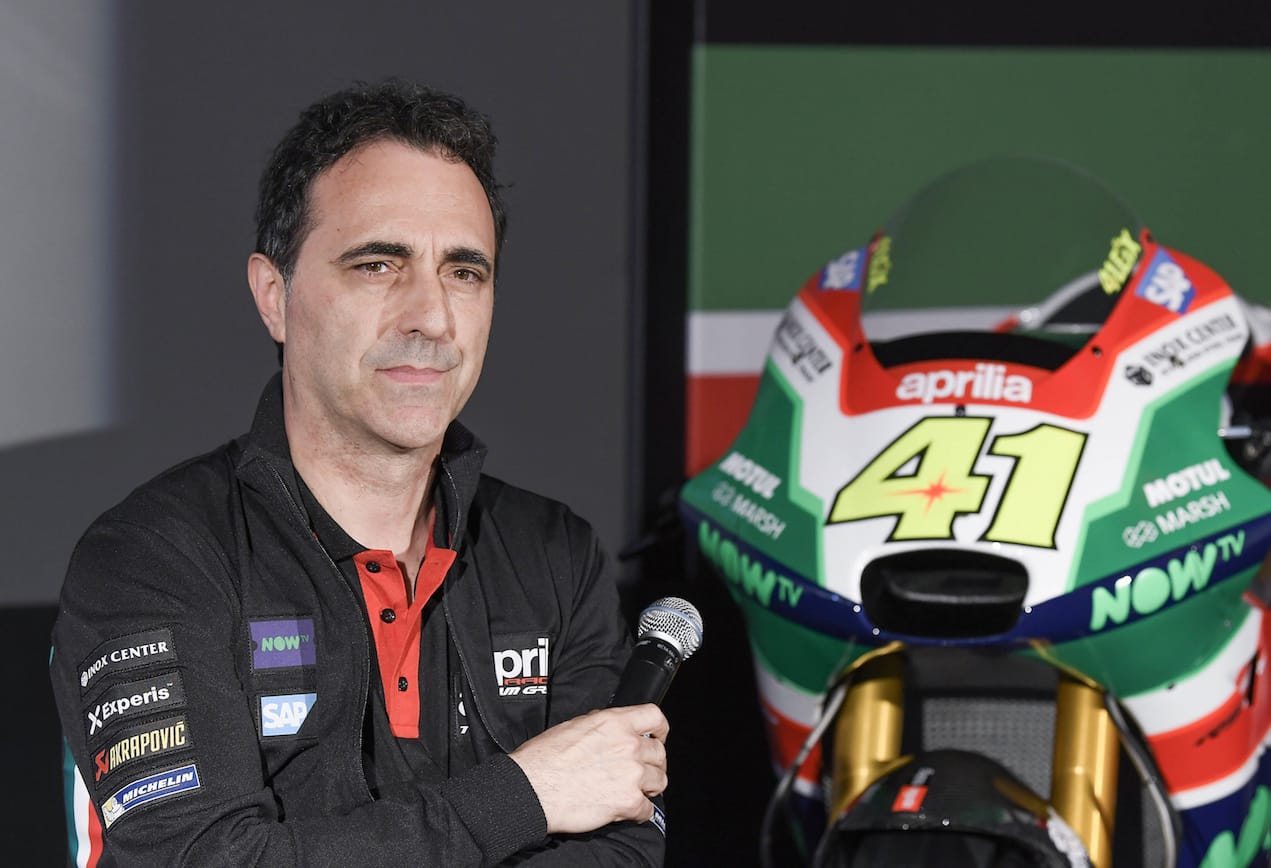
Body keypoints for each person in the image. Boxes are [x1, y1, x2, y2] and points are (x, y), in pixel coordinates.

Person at [50, 79, 669, 866]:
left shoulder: (553, 555)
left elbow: (619, 851)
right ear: (274, 297)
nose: (431, 317)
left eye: (464, 272)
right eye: (378, 265)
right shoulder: (154, 558)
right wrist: (525, 793)